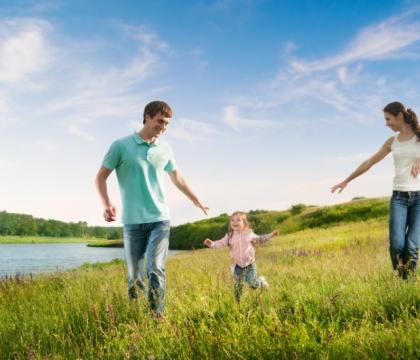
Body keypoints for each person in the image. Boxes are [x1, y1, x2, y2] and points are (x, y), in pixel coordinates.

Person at [95, 100, 208, 315]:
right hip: (132, 222)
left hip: (160, 219)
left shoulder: (165, 148)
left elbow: (177, 177)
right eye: (160, 122)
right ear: (147, 117)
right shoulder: (120, 145)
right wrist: (107, 203)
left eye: (167, 124)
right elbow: (100, 177)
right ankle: (137, 318)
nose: (163, 127)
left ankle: (157, 318)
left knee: (155, 268)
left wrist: (196, 200)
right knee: (135, 276)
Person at [331, 101, 420, 279]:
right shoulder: (392, 142)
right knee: (396, 245)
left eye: (388, 119)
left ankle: (407, 283)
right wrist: (346, 180)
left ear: (399, 116)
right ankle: (401, 279)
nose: (386, 124)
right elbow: (369, 162)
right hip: (399, 199)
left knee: (411, 246)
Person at [203, 211, 279, 302]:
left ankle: (261, 281)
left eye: (238, 220)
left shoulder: (249, 233)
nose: (235, 222)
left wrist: (271, 235)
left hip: (250, 264)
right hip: (237, 265)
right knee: (238, 286)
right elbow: (220, 243)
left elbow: (260, 239)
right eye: (232, 220)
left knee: (253, 284)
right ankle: (238, 303)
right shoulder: (229, 236)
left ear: (244, 223)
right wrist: (211, 244)